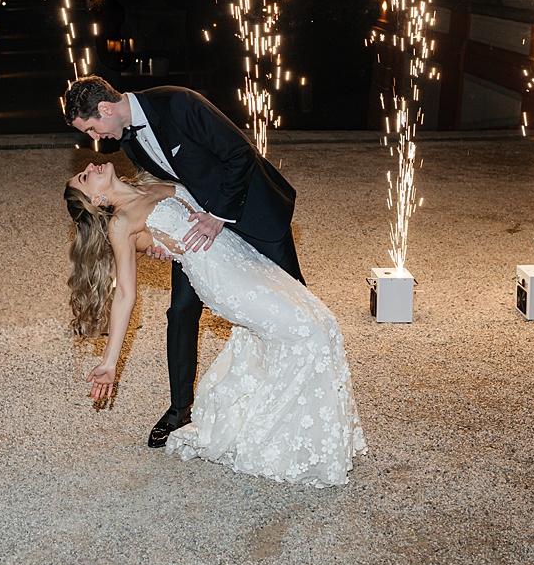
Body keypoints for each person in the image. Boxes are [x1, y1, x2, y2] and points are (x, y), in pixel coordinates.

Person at [64, 161, 367, 487]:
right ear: (96, 200)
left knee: (319, 321)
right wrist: (110, 362)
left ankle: (300, 428)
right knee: (310, 333)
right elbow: (125, 294)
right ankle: (296, 443)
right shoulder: (121, 223)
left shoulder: (148, 182)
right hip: (224, 278)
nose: (91, 166)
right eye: (85, 177)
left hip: (241, 254)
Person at [63, 76, 303, 449]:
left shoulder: (179, 104)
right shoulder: (127, 137)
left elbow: (240, 153)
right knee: (180, 312)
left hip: (249, 214)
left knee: (297, 308)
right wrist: (156, 239)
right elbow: (163, 191)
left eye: (93, 128)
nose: (98, 139)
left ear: (106, 109)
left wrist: (217, 215)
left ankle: (294, 400)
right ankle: (180, 409)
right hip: (197, 239)